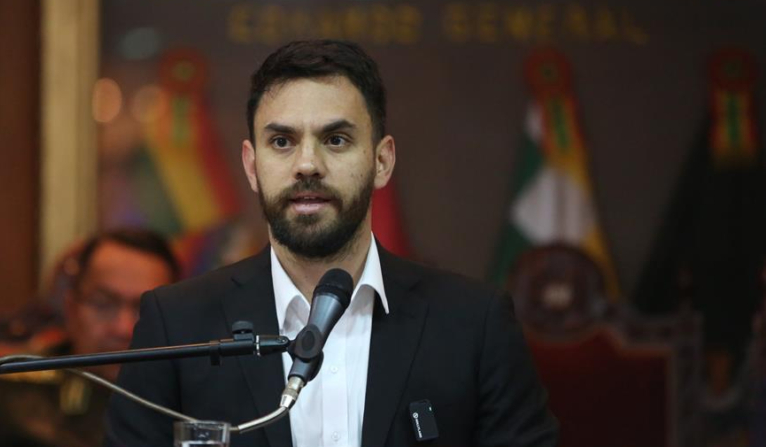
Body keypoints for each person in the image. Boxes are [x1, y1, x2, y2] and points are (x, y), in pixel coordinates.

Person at [105, 40, 558, 447]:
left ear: (382, 161)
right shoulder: (178, 324)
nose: (307, 164)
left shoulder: (474, 324)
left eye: (336, 140)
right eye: (282, 141)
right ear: (251, 165)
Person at [0, 228, 179, 447]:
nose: (123, 328)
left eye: (144, 309)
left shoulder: (192, 400)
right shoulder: (3, 394)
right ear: (70, 308)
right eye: (103, 303)